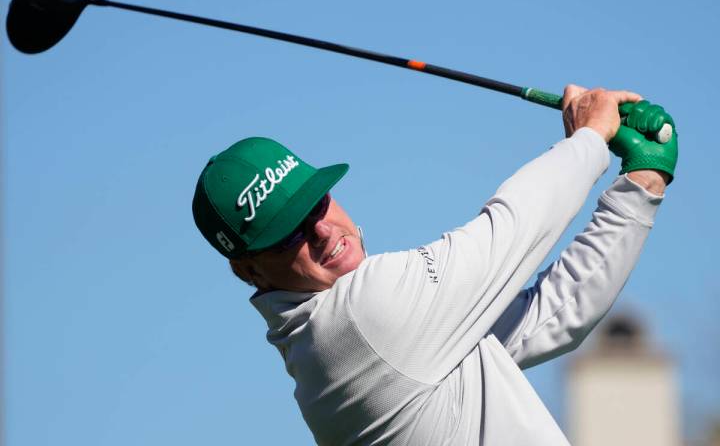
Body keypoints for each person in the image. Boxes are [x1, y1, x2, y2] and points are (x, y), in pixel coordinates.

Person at [191, 85, 678, 445]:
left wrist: (642, 185)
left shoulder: (394, 339)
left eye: (316, 205)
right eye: (289, 235)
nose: (320, 231)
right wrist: (590, 135)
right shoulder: (358, 318)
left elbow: (551, 315)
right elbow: (511, 231)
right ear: (248, 271)